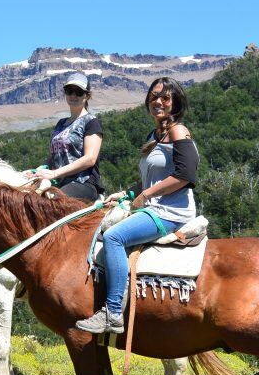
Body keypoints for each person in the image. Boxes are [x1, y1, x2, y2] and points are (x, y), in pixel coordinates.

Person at [76, 77, 199, 334]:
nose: (158, 102)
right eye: (153, 96)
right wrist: (126, 193)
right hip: (153, 207)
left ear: (175, 102)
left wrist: (148, 194)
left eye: (165, 97)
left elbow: (186, 174)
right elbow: (148, 180)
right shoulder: (154, 135)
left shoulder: (178, 131)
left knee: (113, 237)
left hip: (170, 212)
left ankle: (112, 313)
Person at [24, 72, 104, 201]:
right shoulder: (61, 123)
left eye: (78, 92)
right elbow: (54, 158)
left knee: (53, 202)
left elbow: (90, 159)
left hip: (83, 183)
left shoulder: (91, 122)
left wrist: (55, 173)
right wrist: (37, 170)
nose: (73, 95)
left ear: (87, 95)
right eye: (69, 91)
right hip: (59, 183)